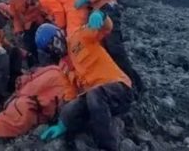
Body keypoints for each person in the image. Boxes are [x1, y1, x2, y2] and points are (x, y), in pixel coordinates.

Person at [35, 21, 134, 151]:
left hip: (119, 90)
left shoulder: (80, 36)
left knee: (94, 95)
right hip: (98, 102)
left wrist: (101, 17)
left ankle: (108, 147)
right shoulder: (63, 67)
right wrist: (63, 122)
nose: (56, 49)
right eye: (50, 49)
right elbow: (70, 95)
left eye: (54, 43)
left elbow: (105, 28)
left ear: (59, 34)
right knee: (70, 109)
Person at [74, 0, 144, 94]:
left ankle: (134, 86)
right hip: (97, 13)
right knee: (106, 50)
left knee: (115, 48)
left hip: (109, 9)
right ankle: (120, 83)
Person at [4, 0, 46, 67]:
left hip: (39, 22)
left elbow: (40, 4)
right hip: (28, 26)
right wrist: (18, 30)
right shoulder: (13, 0)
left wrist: (32, 1)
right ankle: (34, 66)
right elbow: (16, 17)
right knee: (28, 45)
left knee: (46, 41)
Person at [24, 0, 88, 36]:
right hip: (77, 4)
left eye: (32, 3)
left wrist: (60, 29)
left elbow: (58, 11)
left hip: (74, 10)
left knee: (73, 37)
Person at [0, 2, 25, 93]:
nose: (5, 22)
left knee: (15, 52)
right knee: (3, 59)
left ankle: (13, 82)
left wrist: (19, 50)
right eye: (5, 19)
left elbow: (4, 42)